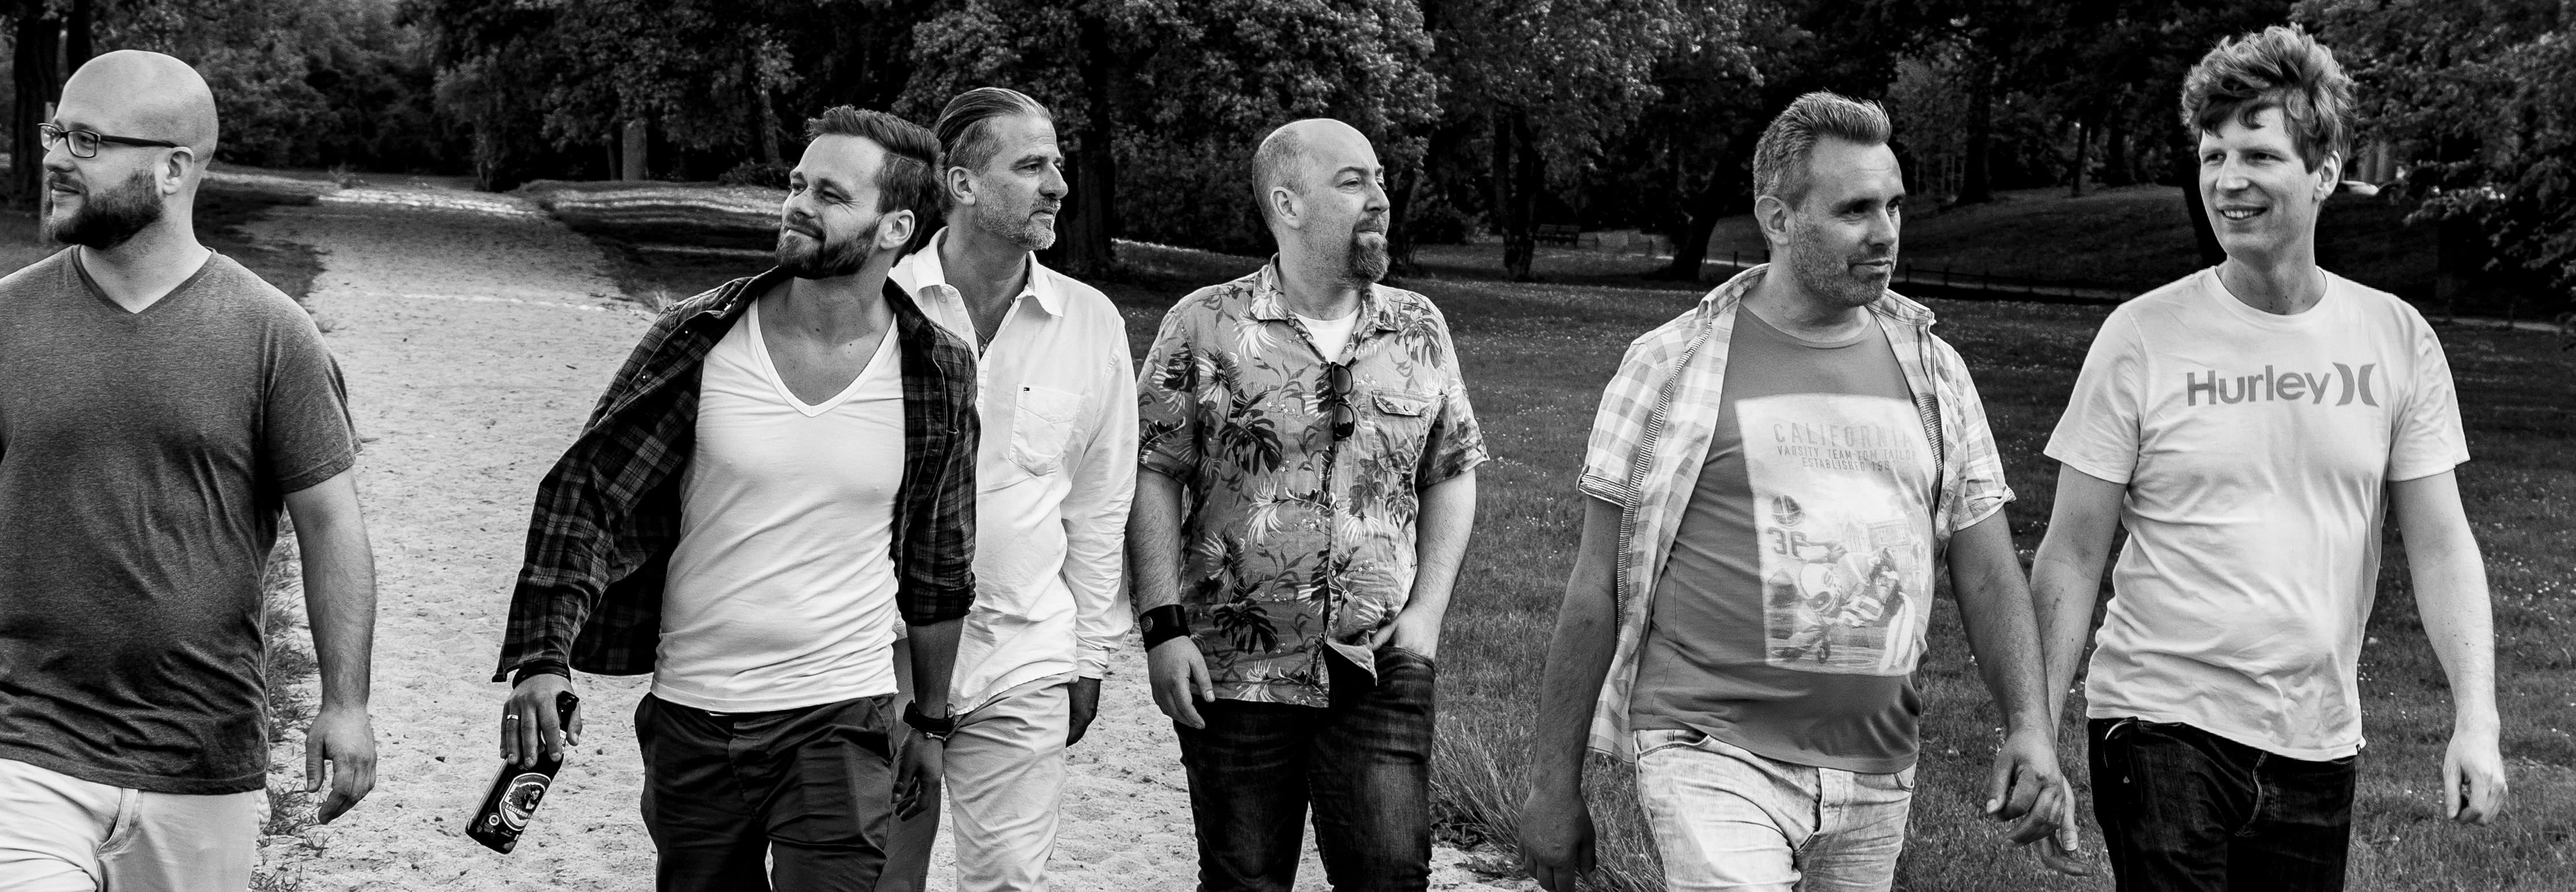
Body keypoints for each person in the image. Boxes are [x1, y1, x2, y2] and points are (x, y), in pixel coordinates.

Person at [1516, 92, 2079, 892]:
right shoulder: (1671, 363)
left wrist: (2030, 725)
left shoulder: (1935, 370)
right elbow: (1595, 584)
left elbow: (1988, 571)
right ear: (1777, 219)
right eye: (1855, 210)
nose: (1885, 232)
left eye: (1893, 206)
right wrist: (1553, 784)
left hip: (1878, 767)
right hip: (1711, 750)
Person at [0, 49, 380, 891]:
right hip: (20, 743)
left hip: (201, 755)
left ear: (174, 169)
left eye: (89, 140)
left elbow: (330, 524)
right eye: (55, 132)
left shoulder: (272, 334)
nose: (55, 157)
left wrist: (346, 703)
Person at [2030, 26, 2507, 891]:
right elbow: (2072, 548)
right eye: (2213, 156)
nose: (2227, 180)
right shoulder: (2141, 336)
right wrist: (2035, 728)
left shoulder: (2395, 337)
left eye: (2258, 154)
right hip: (2158, 719)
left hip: (2317, 737)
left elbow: (2442, 545)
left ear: (2324, 172)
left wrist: (2477, 716)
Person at [491, 106, 978, 892]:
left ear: (896, 228)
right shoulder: (701, 337)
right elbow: (585, 497)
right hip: (694, 711)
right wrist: (543, 660)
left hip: (839, 713)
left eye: (829, 194)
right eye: (797, 184)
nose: (798, 205)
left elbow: (939, 562)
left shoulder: (936, 368)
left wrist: (929, 718)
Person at [1128, 117, 1484, 892]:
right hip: (1235, 669)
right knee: (1244, 883)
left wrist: (1426, 617)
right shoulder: (1202, 324)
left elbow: (1452, 469)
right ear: (1287, 205)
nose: (1379, 198)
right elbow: (1153, 471)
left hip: (1379, 663)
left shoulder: (1419, 327)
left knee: (1390, 879)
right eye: (1353, 182)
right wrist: (1162, 628)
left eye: (1379, 179)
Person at [873, 88, 1135, 892]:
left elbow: (1099, 504)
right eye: (1030, 167)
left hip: (1025, 655)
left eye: (1056, 164)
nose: (1058, 184)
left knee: (1009, 884)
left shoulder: (1091, 323)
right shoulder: (877, 306)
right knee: (878, 879)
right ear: (961, 183)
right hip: (879, 656)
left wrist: (1088, 655)